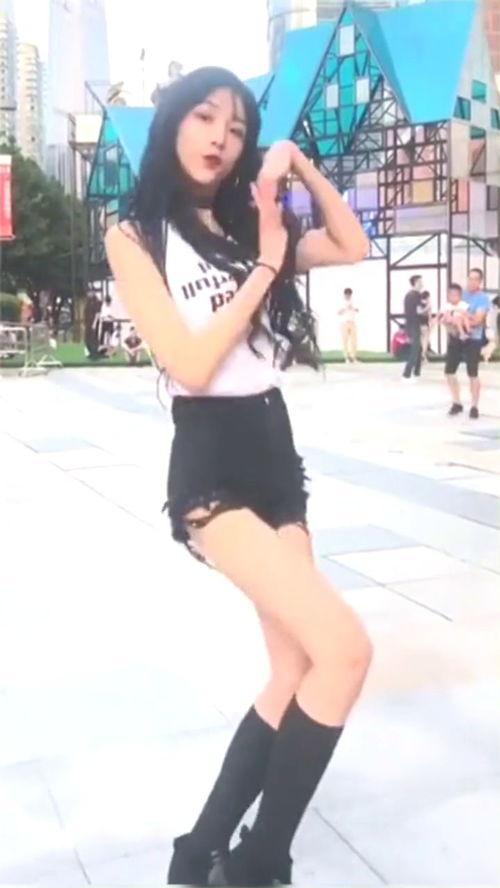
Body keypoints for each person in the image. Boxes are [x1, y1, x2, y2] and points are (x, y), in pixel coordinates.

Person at [105, 67, 371, 888]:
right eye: (204, 117)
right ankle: (259, 864)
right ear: (172, 125)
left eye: (237, 126)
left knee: (295, 669)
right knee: (345, 650)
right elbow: (186, 363)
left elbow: (353, 245)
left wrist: (299, 166)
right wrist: (265, 266)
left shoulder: (242, 224)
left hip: (274, 449)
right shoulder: (136, 235)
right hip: (212, 461)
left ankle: (197, 855)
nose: (220, 136)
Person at [443, 273, 489, 419]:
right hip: (455, 338)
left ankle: (474, 406)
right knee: (449, 372)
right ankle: (456, 402)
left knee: (472, 374)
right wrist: (449, 321)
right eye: (470, 278)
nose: (472, 281)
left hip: (473, 340)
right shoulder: (460, 294)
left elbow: (478, 320)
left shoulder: (483, 298)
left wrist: (463, 318)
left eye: (475, 279)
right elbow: (447, 313)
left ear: (480, 281)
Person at [402, 274, 425, 379]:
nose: (422, 284)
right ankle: (407, 373)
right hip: (414, 324)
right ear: (415, 283)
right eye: (420, 282)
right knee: (415, 349)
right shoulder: (416, 295)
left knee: (419, 348)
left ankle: (417, 371)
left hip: (410, 324)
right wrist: (428, 307)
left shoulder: (408, 295)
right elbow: (419, 311)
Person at [338, 287, 359, 363]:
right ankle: (346, 358)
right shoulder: (341, 302)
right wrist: (345, 308)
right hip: (344, 322)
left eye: (349, 295)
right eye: (347, 294)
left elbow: (357, 310)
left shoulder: (353, 301)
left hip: (352, 322)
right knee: (345, 341)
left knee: (354, 341)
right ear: (344, 294)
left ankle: (353, 357)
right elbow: (338, 312)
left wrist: (352, 307)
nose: (348, 296)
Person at [419, 290, 433, 362]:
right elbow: (430, 316)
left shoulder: (418, 303)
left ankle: (423, 356)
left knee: (421, 340)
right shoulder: (429, 305)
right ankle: (423, 354)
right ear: (427, 297)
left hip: (418, 324)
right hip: (425, 324)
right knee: (425, 340)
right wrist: (430, 324)